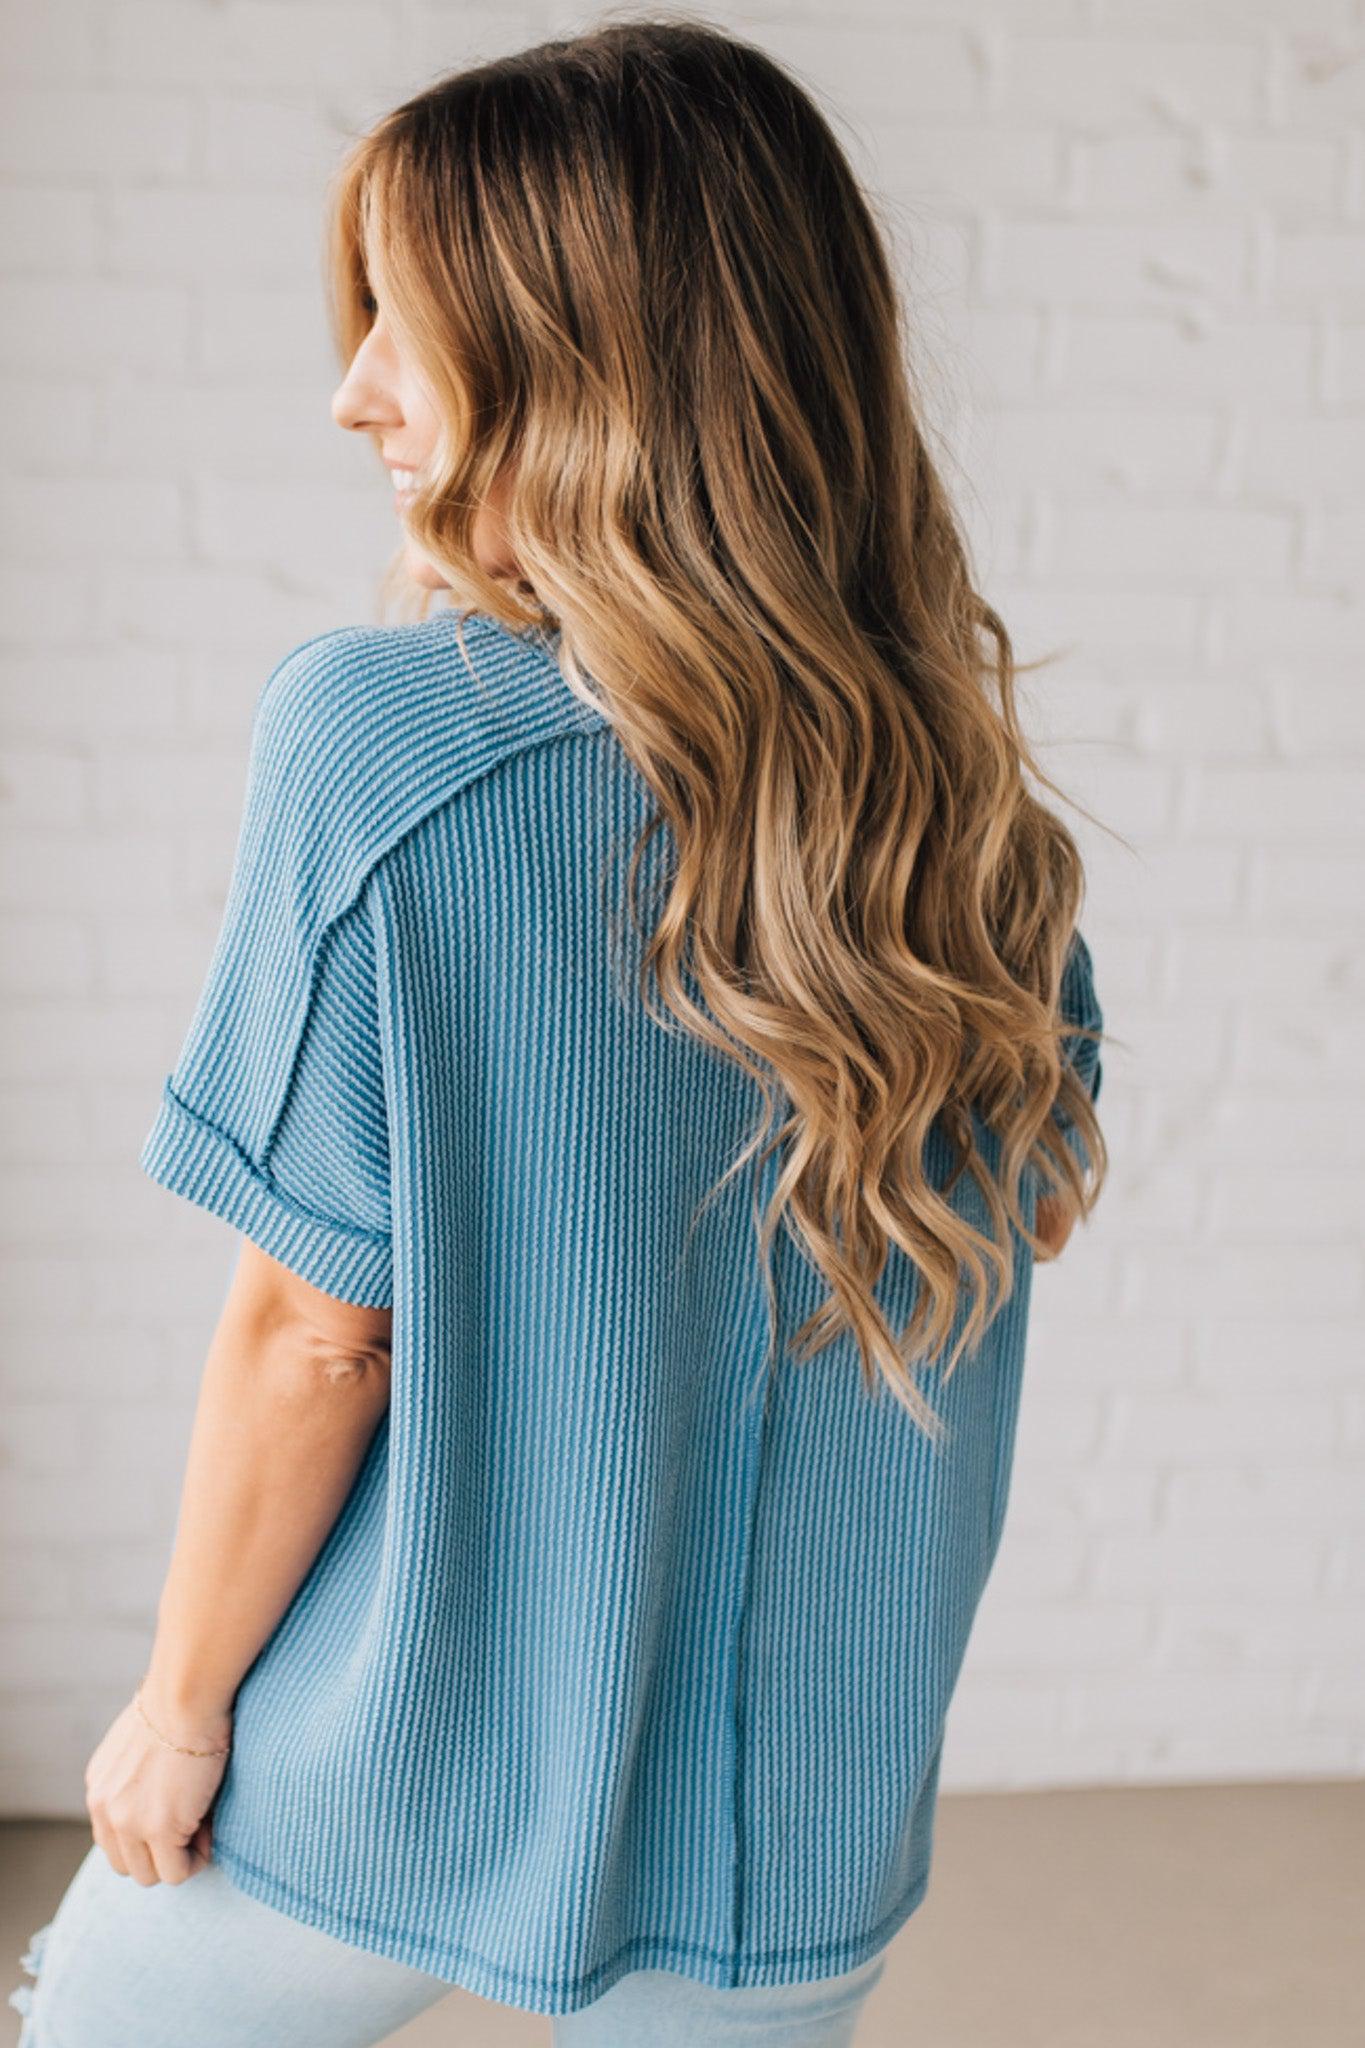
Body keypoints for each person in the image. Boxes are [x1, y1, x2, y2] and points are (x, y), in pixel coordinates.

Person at [8, 19, 1107, 2047]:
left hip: (404, 1749)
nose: (350, 395)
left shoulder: (383, 744)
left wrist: (174, 1713)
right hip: (794, 1808)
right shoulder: (961, 805)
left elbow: (314, 1329)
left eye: (403, 334)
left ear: (590, 373)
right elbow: (1012, 1225)